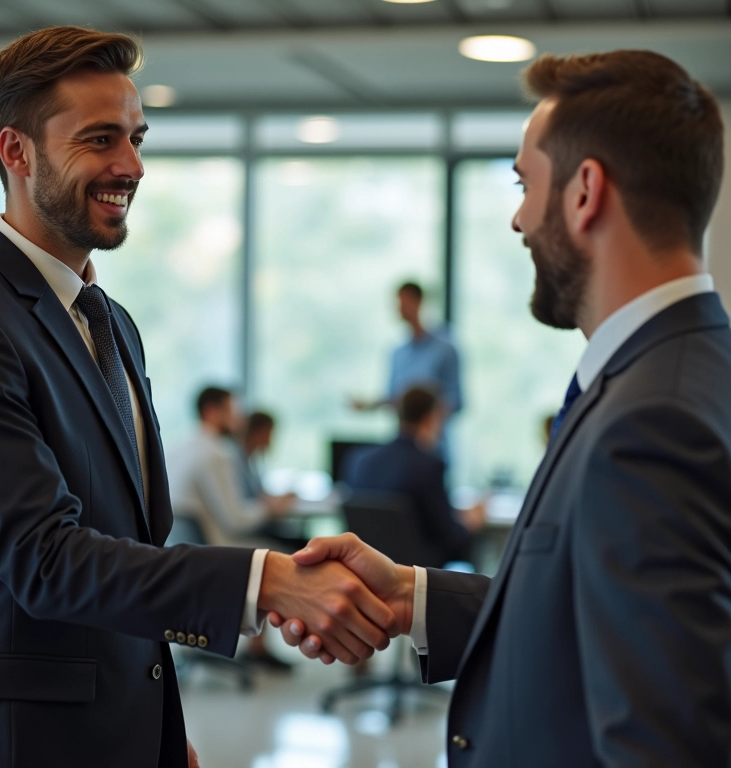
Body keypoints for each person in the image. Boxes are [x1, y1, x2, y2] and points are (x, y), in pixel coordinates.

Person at [274, 50, 731, 766]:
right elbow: (587, 615)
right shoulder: (676, 372)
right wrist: (412, 598)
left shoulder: (652, 420)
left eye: (524, 185)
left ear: (585, 192)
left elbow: (664, 743)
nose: (518, 220)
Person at [0, 27, 395, 768]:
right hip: (28, 742)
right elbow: (44, 560)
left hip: (127, 725)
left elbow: (130, 548)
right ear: (16, 152)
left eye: (136, 138)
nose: (129, 166)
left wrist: (161, 722)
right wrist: (267, 582)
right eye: (100, 140)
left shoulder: (113, 324)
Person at [345, 385, 485, 569]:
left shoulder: (358, 460)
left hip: (367, 568)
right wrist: (471, 523)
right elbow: (450, 537)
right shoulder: (429, 466)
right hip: (416, 574)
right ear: (430, 418)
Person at [168, 388, 294, 547]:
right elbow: (236, 521)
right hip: (221, 547)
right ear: (211, 411)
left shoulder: (177, 448)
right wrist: (270, 508)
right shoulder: (216, 454)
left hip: (186, 549)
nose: (239, 420)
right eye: (232, 411)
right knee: (294, 552)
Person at [351, 281, 463, 459]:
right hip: (402, 448)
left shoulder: (445, 349)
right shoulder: (397, 353)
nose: (400, 308)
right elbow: (393, 398)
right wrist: (370, 406)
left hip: (434, 449)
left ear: (419, 302)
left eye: (404, 301)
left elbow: (456, 400)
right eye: (397, 303)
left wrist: (429, 425)